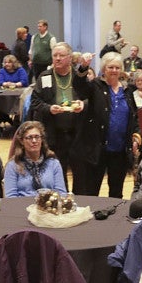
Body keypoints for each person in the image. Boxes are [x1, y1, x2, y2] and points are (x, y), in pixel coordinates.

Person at [28, 42, 103, 194]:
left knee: (80, 173)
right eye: (55, 55)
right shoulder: (45, 77)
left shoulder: (78, 76)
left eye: (61, 56)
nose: (57, 59)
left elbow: (92, 98)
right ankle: (61, 202)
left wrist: (83, 104)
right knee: (57, 173)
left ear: (70, 58)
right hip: (54, 134)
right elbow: (35, 102)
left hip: (78, 134)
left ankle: (79, 202)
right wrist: (49, 108)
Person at [78, 52, 138, 198]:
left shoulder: (127, 90)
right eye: (110, 67)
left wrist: (136, 136)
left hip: (120, 150)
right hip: (98, 149)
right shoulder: (95, 86)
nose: (114, 70)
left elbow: (134, 116)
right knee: (92, 191)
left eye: (117, 67)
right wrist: (83, 67)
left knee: (116, 192)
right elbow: (79, 88)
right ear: (104, 69)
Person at [4, 120, 68, 197]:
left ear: (42, 140)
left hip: (49, 207)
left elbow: (61, 193)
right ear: (21, 141)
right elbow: (11, 198)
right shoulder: (13, 166)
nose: (34, 141)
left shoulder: (54, 163)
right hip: (21, 207)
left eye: (37, 137)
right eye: (29, 137)